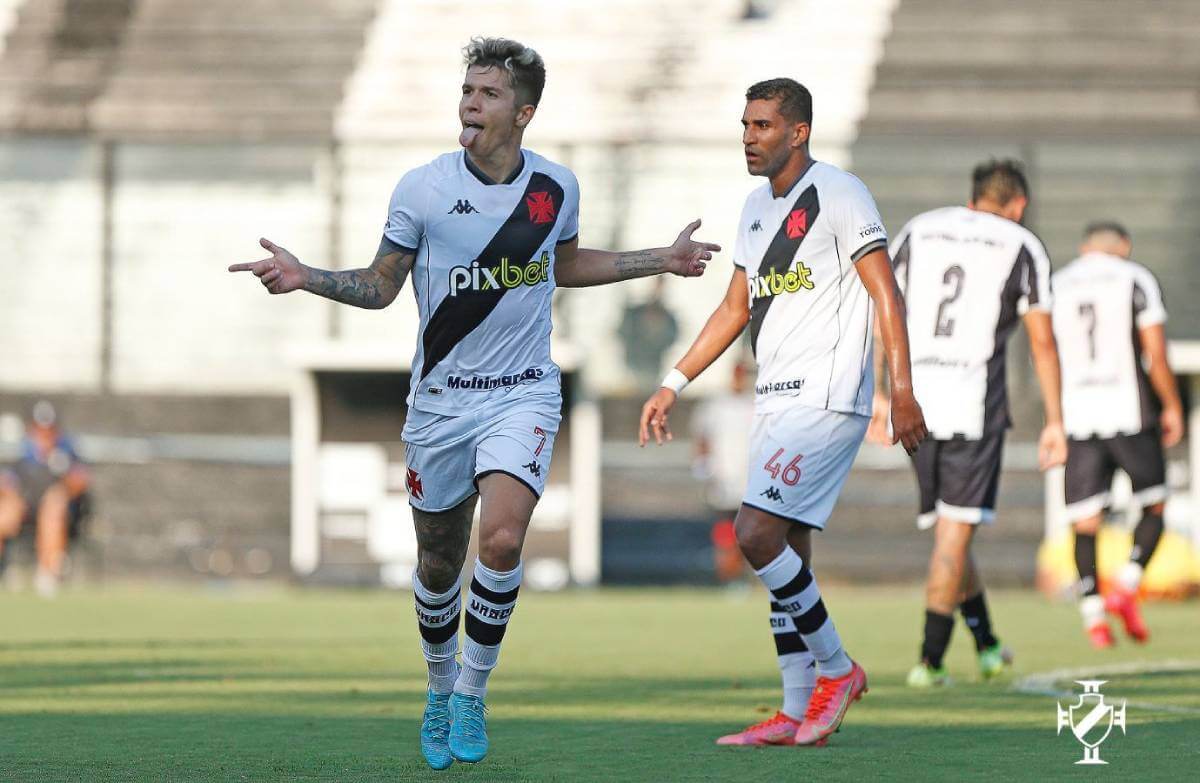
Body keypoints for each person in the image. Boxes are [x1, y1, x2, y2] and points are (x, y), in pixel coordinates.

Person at [230, 37, 718, 770]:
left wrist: (662, 259)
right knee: (437, 561)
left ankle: (471, 691)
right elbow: (381, 284)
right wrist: (308, 277)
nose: (469, 103)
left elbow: (564, 264)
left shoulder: (555, 187)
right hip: (439, 404)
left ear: (522, 113)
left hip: (522, 393)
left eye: (487, 94)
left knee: (501, 541)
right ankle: (436, 682)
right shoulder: (422, 188)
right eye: (467, 90)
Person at [640, 78, 926, 747]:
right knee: (786, 549)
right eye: (745, 124)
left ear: (798, 132)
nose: (749, 137)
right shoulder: (753, 208)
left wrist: (903, 387)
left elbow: (886, 292)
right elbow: (735, 308)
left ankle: (837, 668)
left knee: (755, 534)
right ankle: (798, 709)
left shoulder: (841, 193)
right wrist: (672, 382)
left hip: (826, 395)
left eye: (763, 125)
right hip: (775, 397)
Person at [871, 160, 1067, 688]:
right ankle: (930, 662)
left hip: (915, 404)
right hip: (971, 408)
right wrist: (1056, 421)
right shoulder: (1020, 243)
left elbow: (883, 304)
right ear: (1018, 204)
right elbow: (1043, 341)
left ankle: (986, 645)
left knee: (950, 533)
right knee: (953, 539)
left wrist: (882, 391)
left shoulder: (921, 228)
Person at [1051, 221, 1182, 648]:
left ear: (1084, 247)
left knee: (1084, 522)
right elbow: (1155, 352)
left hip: (1078, 416)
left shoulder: (1060, 283)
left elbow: (1043, 349)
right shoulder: (1134, 278)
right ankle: (1126, 588)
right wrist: (1172, 405)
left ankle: (1093, 618)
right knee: (1155, 504)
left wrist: (1055, 417)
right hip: (1129, 411)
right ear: (1122, 246)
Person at [0, 401, 90, 598]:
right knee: (4, 513)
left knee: (53, 508)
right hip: (25, 505)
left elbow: (81, 483)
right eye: (40, 429)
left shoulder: (66, 450)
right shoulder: (22, 450)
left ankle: (48, 571)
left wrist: (65, 475)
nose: (44, 434)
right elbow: (7, 481)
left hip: (58, 510)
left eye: (48, 429)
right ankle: (4, 569)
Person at [618, 276, 679, 394]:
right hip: (635, 365)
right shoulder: (635, 313)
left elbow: (671, 338)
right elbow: (624, 333)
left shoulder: (667, 316)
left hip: (654, 365)